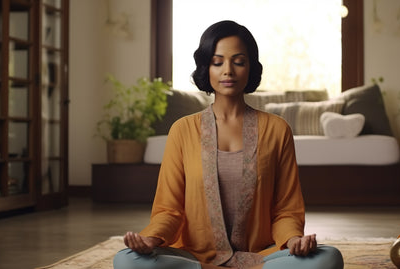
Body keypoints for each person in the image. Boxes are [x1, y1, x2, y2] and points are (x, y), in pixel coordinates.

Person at [113, 20, 343, 269]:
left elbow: (286, 210)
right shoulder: (182, 130)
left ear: (250, 68)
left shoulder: (277, 130)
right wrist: (150, 238)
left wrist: (294, 239)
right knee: (127, 260)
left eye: (239, 61)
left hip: (261, 256)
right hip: (196, 258)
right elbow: (169, 210)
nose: (228, 71)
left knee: (329, 258)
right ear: (206, 68)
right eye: (217, 61)